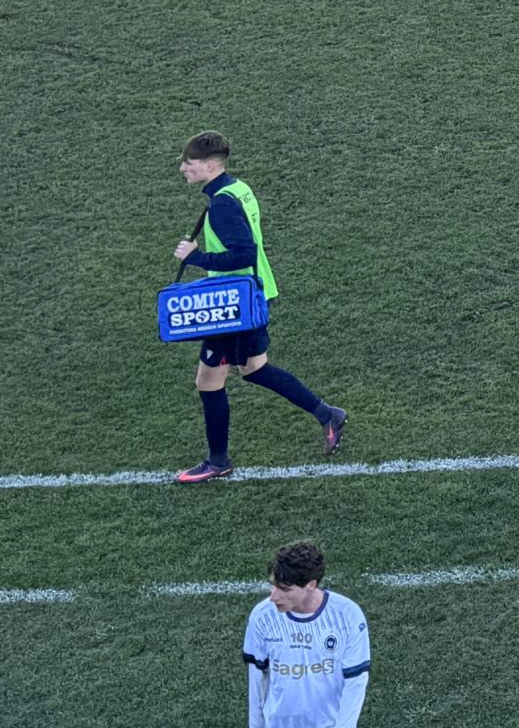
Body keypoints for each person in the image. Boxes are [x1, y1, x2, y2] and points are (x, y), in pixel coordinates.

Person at [172, 132, 347, 484]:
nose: (182, 169)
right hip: (253, 294)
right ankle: (328, 414)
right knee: (254, 369)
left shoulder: (222, 204)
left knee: (208, 380)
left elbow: (243, 253)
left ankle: (217, 461)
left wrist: (196, 257)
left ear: (209, 166)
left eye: (188, 164)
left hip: (234, 305)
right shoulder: (239, 189)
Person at [243, 540, 371, 727]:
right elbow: (257, 681)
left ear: (311, 584)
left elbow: (356, 683)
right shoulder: (262, 616)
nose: (273, 597)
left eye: (285, 589)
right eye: (274, 585)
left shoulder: (348, 616)